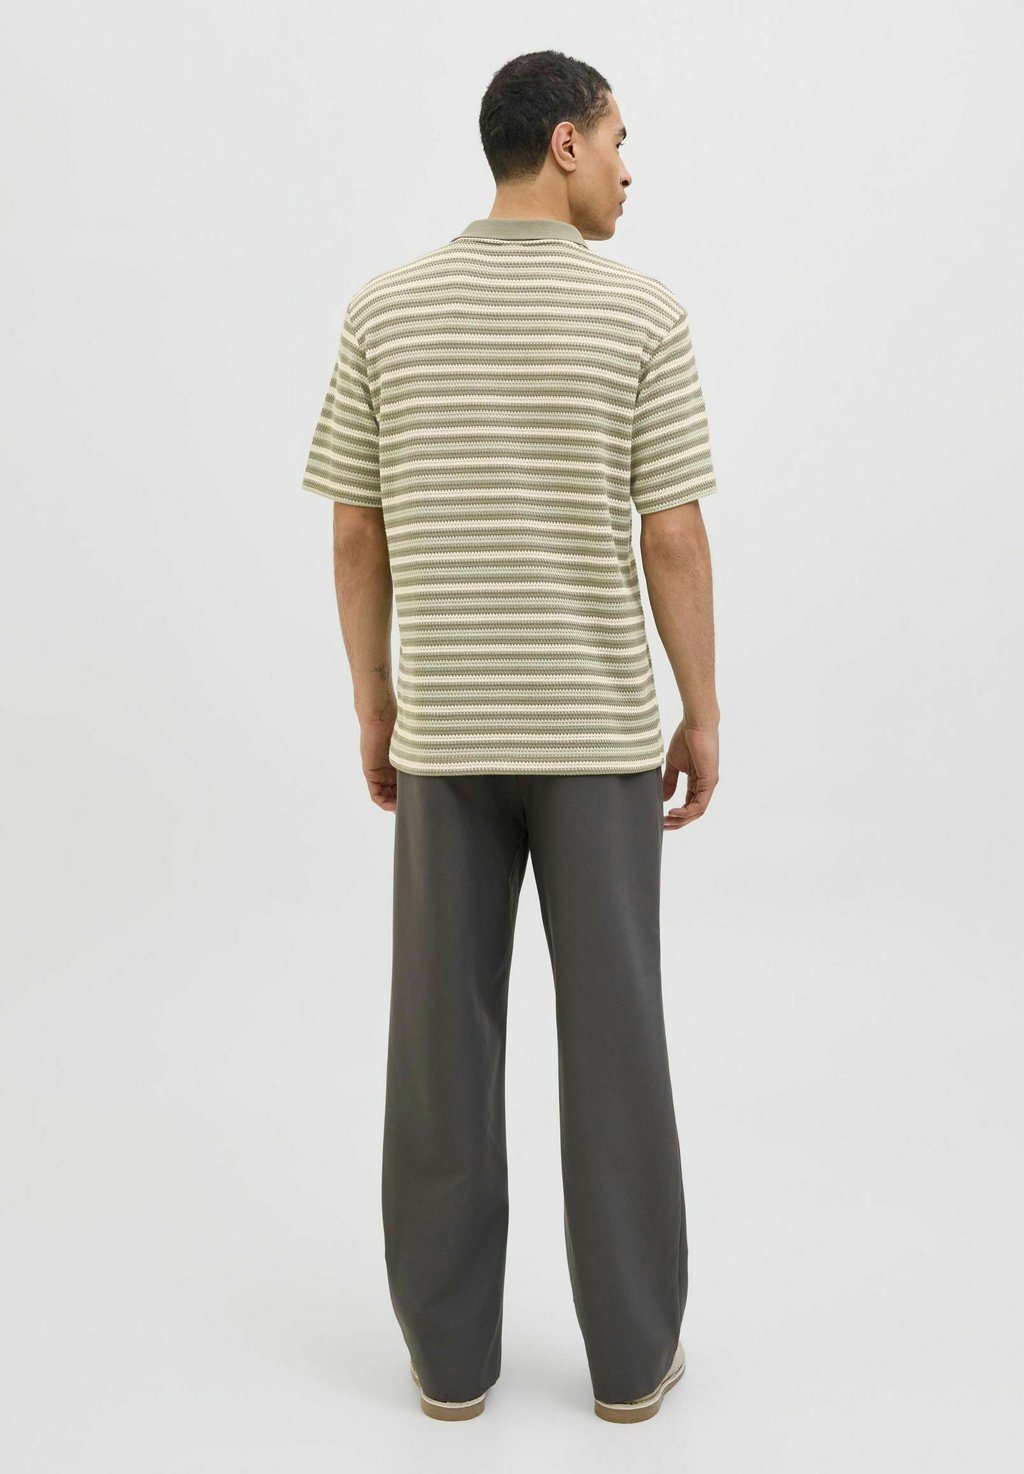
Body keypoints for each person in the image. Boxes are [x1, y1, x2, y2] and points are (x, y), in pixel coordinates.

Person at [300, 48, 720, 1424]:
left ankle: (451, 1366)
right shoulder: (642, 313)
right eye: (618, 139)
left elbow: (355, 533)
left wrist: (374, 696)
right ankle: (632, 1364)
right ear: (563, 145)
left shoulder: (386, 308)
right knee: (618, 1043)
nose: (629, 169)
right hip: (598, 737)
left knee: (440, 1047)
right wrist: (703, 708)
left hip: (451, 733)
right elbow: (672, 532)